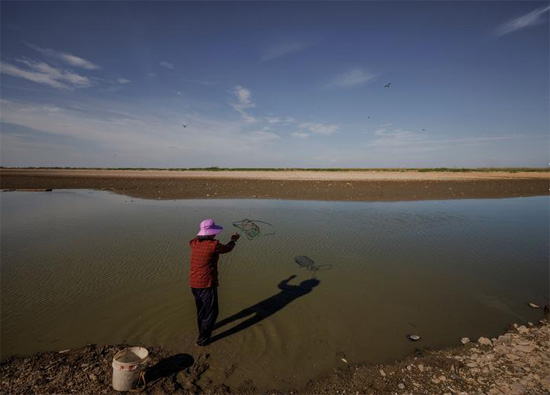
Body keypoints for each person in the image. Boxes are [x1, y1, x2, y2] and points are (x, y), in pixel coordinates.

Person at [189, 219, 240, 346]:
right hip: (207, 284)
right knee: (212, 312)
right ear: (212, 233)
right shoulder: (213, 245)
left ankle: (202, 330)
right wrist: (234, 240)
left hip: (194, 283)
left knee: (201, 310)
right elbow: (228, 248)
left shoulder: (194, 243)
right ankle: (202, 341)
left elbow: (198, 237)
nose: (215, 234)